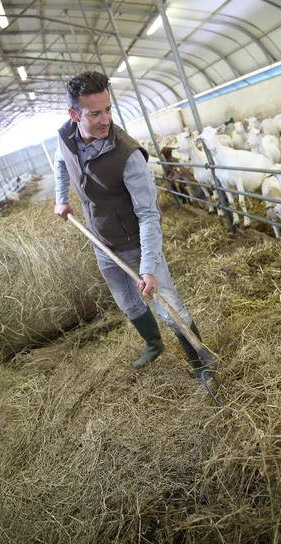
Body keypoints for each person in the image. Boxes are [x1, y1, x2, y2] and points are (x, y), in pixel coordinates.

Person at [54, 70, 209, 379]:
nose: (105, 119)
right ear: (74, 115)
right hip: (101, 241)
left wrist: (149, 266)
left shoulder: (127, 155)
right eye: (95, 113)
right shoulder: (65, 137)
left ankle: (201, 363)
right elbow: (60, 162)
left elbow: (149, 215)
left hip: (136, 245)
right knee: (126, 301)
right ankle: (154, 345)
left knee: (167, 304)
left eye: (108, 109)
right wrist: (62, 197)